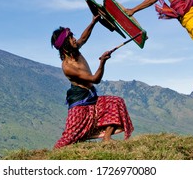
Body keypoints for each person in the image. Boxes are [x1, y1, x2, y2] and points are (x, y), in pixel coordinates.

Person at [51, 15, 134, 149]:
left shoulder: (75, 50)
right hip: (80, 104)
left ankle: (107, 138)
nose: (74, 39)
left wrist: (93, 22)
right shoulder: (68, 66)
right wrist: (102, 62)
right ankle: (51, 156)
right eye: (71, 38)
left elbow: (83, 38)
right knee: (69, 138)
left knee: (116, 102)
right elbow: (95, 79)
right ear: (65, 44)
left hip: (91, 98)